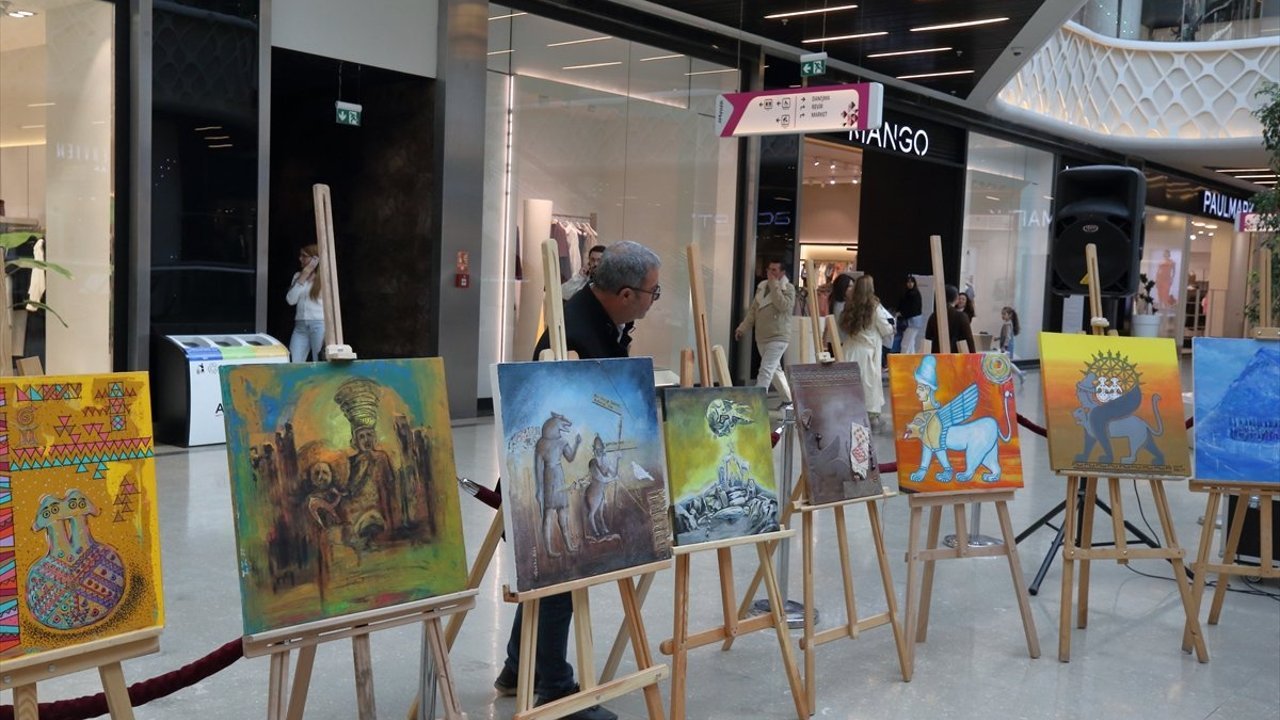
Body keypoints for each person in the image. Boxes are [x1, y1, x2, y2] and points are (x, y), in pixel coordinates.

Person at [496, 240, 662, 720]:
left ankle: (517, 668)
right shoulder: (569, 332)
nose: (654, 301)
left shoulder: (599, 321)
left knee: (550, 576)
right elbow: (558, 411)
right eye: (653, 292)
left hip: (567, 468)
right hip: (551, 479)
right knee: (560, 574)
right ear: (626, 294)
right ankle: (556, 690)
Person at [837, 275, 894, 428]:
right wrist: (892, 327)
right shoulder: (874, 307)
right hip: (867, 352)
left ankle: (848, 416)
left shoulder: (849, 305)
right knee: (869, 387)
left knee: (849, 385)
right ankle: (871, 418)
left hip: (849, 349)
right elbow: (886, 328)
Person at [735, 261, 795, 401]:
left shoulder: (789, 288)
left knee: (765, 370)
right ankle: (789, 400)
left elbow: (783, 306)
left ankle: (757, 401)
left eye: (774, 270)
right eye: (769, 269)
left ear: (782, 272)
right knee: (775, 370)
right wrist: (742, 328)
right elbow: (753, 312)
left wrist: (775, 286)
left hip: (778, 336)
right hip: (762, 336)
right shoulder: (762, 287)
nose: (770, 273)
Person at [286, 244, 325, 362]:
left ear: (315, 259)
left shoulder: (324, 278)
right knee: (294, 361)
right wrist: (303, 276)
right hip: (300, 326)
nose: (300, 258)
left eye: (304, 256)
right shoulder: (298, 276)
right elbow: (291, 300)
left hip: (319, 324)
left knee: (319, 360)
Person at [925, 285, 977, 354]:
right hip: (956, 356)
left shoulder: (933, 316)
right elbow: (969, 340)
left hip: (936, 355)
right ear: (956, 298)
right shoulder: (961, 316)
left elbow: (928, 338)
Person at [998, 306, 1027, 385]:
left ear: (1010, 315)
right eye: (1002, 314)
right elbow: (1005, 335)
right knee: (1006, 362)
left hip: (1007, 347)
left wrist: (1004, 346)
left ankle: (1020, 373)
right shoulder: (1008, 323)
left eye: (1004, 314)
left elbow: (1008, 337)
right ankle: (1019, 373)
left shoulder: (1007, 324)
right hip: (1008, 346)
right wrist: (998, 338)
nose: (1002, 316)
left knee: (1007, 362)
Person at [896, 275, 924, 354]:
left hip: (912, 322)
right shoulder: (909, 294)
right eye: (908, 282)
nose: (910, 284)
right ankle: (911, 360)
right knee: (910, 344)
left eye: (912, 282)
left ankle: (903, 360)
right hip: (913, 322)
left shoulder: (914, 294)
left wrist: (901, 313)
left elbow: (912, 309)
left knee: (905, 344)